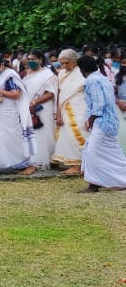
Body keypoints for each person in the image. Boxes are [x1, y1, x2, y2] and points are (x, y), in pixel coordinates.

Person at [0, 53, 37, 175]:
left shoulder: (10, 75)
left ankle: (26, 164)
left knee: (11, 137)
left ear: (2, 64)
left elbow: (16, 95)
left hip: (8, 111)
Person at [78, 54, 126, 192]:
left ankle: (94, 185)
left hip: (102, 122)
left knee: (92, 152)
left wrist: (90, 120)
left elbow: (99, 104)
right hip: (110, 122)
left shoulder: (92, 81)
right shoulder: (104, 78)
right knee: (112, 154)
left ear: (82, 70)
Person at [53, 48, 87, 175]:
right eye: (62, 63)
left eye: (67, 63)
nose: (64, 66)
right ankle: (74, 164)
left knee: (78, 134)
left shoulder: (82, 73)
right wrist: (58, 113)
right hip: (65, 109)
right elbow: (59, 93)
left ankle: (81, 164)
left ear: (74, 61)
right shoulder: (61, 73)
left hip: (80, 108)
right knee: (67, 136)